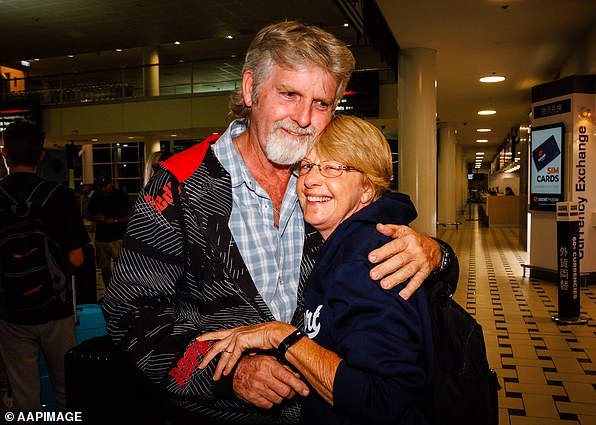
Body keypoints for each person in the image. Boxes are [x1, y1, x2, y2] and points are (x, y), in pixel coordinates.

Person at [101, 20, 455, 424]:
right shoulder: (178, 186)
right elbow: (131, 314)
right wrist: (230, 373)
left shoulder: (328, 184)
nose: (304, 118)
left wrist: (436, 254)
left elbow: (397, 263)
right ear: (251, 89)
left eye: (321, 103)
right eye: (289, 94)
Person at [198, 114, 454, 424]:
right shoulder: (339, 242)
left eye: (333, 167)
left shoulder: (366, 260)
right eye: (306, 166)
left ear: (367, 190)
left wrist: (281, 336)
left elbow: (382, 396)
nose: (310, 180)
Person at [0, 119, 90, 411]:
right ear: (41, 155)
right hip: (57, 311)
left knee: (25, 397)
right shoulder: (60, 196)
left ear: (5, 154)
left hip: (10, 314)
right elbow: (77, 258)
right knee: (68, 389)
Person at [87, 173, 131, 288]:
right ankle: (109, 291)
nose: (103, 189)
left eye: (104, 186)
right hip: (101, 238)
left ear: (111, 184)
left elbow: (129, 215)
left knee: (121, 267)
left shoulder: (121, 196)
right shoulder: (96, 196)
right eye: (100, 187)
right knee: (104, 268)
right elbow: (89, 213)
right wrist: (97, 217)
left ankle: (122, 291)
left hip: (117, 237)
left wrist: (116, 220)